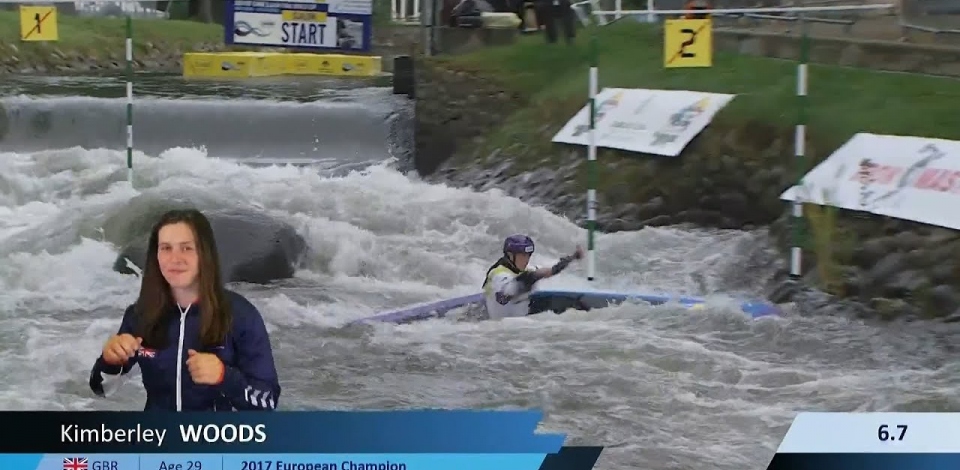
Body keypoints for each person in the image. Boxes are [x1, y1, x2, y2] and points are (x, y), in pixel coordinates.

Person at [89, 209, 281, 411]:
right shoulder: (141, 315)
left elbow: (267, 403)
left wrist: (224, 376)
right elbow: (101, 389)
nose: (175, 259)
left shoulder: (240, 315)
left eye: (186, 248)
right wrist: (109, 361)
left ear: (204, 254)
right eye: (166, 248)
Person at [482, 234, 583, 319]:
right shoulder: (498, 274)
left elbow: (552, 268)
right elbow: (505, 295)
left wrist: (573, 257)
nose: (526, 259)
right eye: (522, 255)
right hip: (504, 328)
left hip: (524, 322)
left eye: (528, 255)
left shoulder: (527, 269)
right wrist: (535, 276)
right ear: (510, 255)